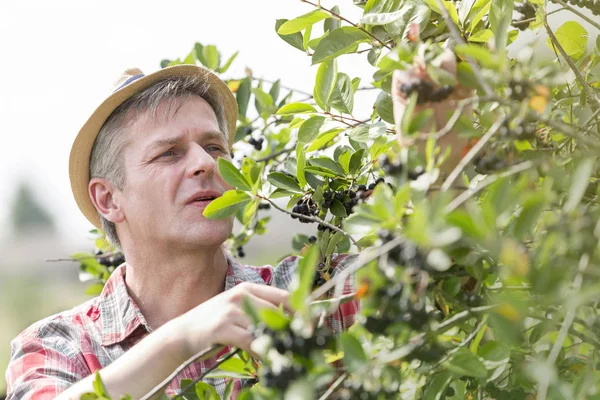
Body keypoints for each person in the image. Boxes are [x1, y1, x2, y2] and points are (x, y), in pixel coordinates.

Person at [5, 65, 359, 400]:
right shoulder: (61, 344)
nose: (205, 163)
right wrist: (183, 338)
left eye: (214, 147)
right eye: (169, 153)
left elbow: (408, 276)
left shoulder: (312, 291)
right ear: (109, 199)